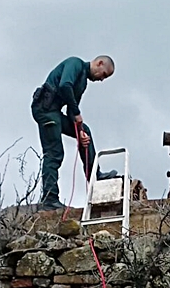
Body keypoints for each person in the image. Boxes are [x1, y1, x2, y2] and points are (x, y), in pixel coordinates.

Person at [32, 55, 117, 210]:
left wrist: (79, 133)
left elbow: (72, 110)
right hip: (45, 111)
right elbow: (65, 85)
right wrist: (77, 114)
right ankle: (50, 199)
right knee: (54, 153)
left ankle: (94, 175)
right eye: (104, 74)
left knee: (86, 131)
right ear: (99, 63)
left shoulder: (82, 82)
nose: (102, 80)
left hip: (55, 113)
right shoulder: (75, 63)